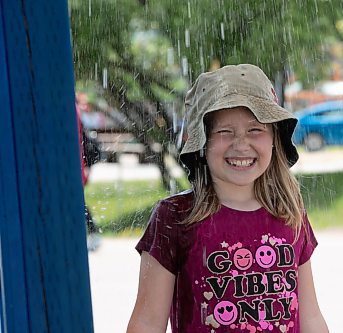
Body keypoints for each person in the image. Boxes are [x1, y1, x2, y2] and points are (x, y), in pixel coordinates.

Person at [127, 64, 329, 333]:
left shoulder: (289, 212)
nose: (241, 144)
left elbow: (311, 317)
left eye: (255, 130)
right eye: (224, 132)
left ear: (273, 139)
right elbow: (147, 322)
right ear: (203, 142)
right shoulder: (174, 217)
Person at [76, 103, 101, 251]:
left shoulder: (71, 110)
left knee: (78, 202)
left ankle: (93, 232)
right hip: (79, 166)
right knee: (79, 202)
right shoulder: (75, 110)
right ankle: (93, 232)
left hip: (78, 167)